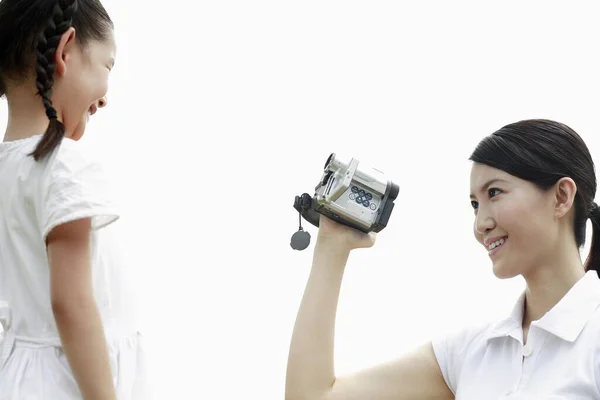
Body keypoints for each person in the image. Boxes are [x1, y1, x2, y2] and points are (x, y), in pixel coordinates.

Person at [285, 119, 600, 399]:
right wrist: (332, 244)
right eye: (475, 205)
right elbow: (312, 396)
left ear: (561, 197)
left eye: (494, 193)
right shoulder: (471, 352)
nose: (481, 224)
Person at [0, 0, 149, 398]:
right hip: (65, 385)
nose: (105, 98)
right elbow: (72, 304)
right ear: (65, 51)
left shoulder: (8, 166)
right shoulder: (64, 165)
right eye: (107, 65)